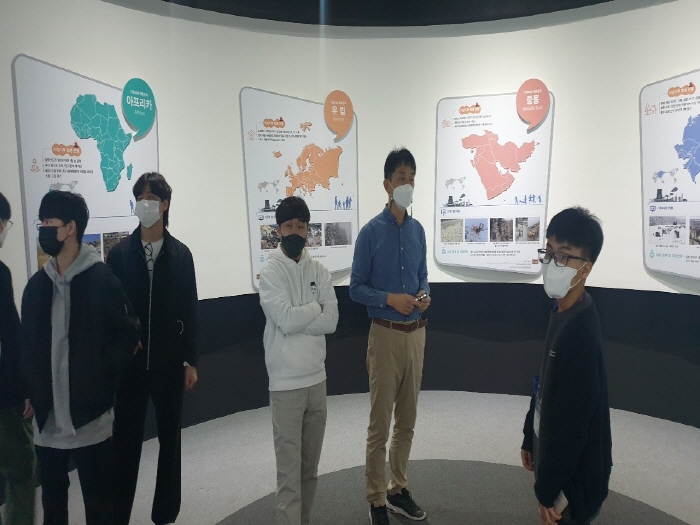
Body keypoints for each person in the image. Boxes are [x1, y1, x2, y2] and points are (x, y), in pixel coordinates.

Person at [21, 191, 140, 525]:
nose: (44, 229)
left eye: (50, 222)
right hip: (47, 422)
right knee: (53, 504)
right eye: (42, 222)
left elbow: (128, 332)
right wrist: (30, 389)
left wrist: (102, 376)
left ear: (70, 228)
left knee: (99, 504)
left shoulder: (102, 280)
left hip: (91, 420)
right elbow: (27, 345)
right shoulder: (37, 286)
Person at [107, 172, 199, 525]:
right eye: (140, 197)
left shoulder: (181, 255)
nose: (145, 204)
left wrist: (191, 360)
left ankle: (165, 514)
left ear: (165, 205)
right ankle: (119, 514)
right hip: (130, 366)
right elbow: (112, 312)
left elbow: (190, 309)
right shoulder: (119, 254)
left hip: (169, 363)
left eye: (152, 198)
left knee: (170, 442)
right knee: (125, 443)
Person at [349, 148, 430, 525]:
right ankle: (376, 498)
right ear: (387, 184)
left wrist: (424, 294)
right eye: (401, 178)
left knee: (407, 420)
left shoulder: (418, 231)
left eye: (411, 178)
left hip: (416, 334)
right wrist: (389, 299)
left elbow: (422, 275)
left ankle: (398, 489)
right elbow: (355, 288)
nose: (407, 184)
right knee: (380, 423)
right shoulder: (370, 233)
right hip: (384, 335)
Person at [521, 207, 612, 525]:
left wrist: (547, 491)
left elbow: (572, 427)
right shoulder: (561, 311)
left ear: (585, 269)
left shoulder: (580, 332)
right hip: (558, 465)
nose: (551, 263)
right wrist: (529, 435)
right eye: (548, 252)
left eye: (563, 256)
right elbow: (545, 384)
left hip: (574, 485)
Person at [259, 196, 338, 525]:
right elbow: (285, 320)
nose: (295, 231)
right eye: (289, 226)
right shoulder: (270, 271)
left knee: (309, 471)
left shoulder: (319, 270)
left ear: (308, 230)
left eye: (301, 226)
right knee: (289, 476)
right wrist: (315, 307)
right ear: (278, 230)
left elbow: (331, 321)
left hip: (317, 381)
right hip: (286, 385)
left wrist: (301, 316)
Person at [0, 192, 36, 525]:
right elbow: (11, 336)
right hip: (5, 396)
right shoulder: (0, 273)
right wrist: (25, 390)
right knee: (21, 468)